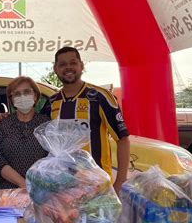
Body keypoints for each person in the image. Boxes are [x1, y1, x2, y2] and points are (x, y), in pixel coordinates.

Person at [47, 47, 130, 193]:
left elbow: (122, 139)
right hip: (62, 186)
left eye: (73, 63)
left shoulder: (100, 97)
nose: (68, 67)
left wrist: (120, 182)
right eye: (62, 64)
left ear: (81, 65)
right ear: (55, 69)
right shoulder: (52, 102)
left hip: (97, 185)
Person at [0, 76, 49, 189]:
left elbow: (53, 159)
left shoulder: (46, 124)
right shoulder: (3, 124)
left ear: (36, 95)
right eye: (17, 94)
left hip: (41, 190)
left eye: (27, 92)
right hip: (9, 192)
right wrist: (23, 183)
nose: (22, 96)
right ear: (11, 99)